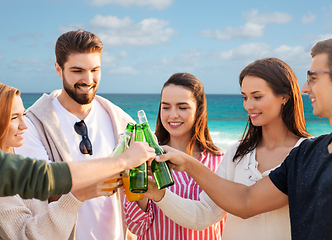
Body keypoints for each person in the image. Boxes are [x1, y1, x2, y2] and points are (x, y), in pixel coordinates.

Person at [147, 39, 332, 240]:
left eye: (257, 97)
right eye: (245, 97)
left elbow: (247, 203)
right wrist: (157, 193)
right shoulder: (237, 153)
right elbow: (203, 215)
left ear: (284, 97)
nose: (248, 105)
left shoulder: (308, 155)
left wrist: (189, 164)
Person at [14, 29, 145, 239]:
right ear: (58, 69)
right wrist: (119, 163)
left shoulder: (120, 121)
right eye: (77, 71)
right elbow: (40, 193)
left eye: (95, 69)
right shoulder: (32, 127)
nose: (88, 79)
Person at [0, 83, 155, 240]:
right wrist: (76, 195)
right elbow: (27, 236)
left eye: (23, 115)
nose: (25, 125)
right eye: (14, 117)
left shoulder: (18, 159)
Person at [124, 73, 226, 239]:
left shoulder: (221, 161)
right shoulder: (144, 158)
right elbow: (136, 226)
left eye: (182, 107)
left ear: (199, 110)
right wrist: (139, 183)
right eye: (166, 107)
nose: (172, 115)